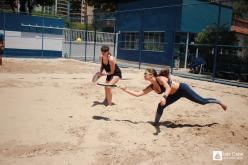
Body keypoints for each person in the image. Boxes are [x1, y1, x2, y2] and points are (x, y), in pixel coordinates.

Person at [121, 67, 227, 126]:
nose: (144, 75)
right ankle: (156, 124)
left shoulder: (160, 79)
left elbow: (167, 89)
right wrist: (126, 90)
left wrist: (164, 97)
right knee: (160, 106)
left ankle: (218, 101)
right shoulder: (152, 86)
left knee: (202, 101)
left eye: (146, 73)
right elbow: (139, 94)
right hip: (173, 95)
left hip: (182, 89)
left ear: (151, 75)